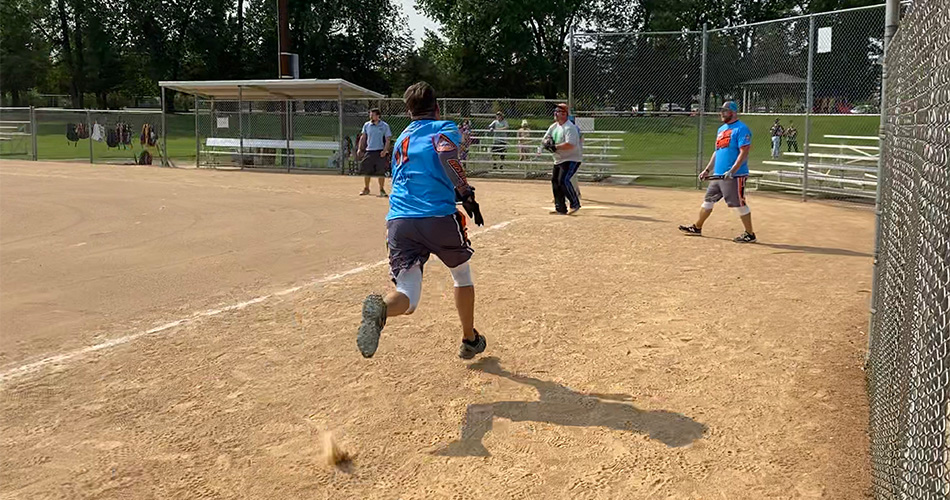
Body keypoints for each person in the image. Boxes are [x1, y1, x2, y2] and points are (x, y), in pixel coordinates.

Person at [356, 81, 487, 360]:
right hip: (437, 216)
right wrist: (465, 192)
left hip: (399, 221)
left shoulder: (402, 137)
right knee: (461, 274)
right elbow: (446, 154)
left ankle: (382, 309)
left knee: (407, 295)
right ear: (437, 108)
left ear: (409, 111)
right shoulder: (443, 127)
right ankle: (469, 339)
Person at [678, 101, 757, 243]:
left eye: (725, 111)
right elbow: (717, 152)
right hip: (718, 175)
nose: (722, 113)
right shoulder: (721, 129)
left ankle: (750, 234)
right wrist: (707, 170)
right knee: (708, 200)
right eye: (721, 111)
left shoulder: (741, 129)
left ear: (733, 113)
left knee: (739, 203)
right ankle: (697, 227)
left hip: (734, 175)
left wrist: (732, 170)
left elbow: (744, 152)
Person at [541, 103, 583, 215]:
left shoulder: (570, 127)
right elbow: (545, 139)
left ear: (564, 114)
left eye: (558, 111)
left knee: (563, 180)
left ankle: (575, 204)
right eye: (556, 111)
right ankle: (560, 208)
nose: (555, 113)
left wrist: (555, 147)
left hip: (571, 158)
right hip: (559, 159)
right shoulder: (553, 127)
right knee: (555, 182)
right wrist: (546, 143)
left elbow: (570, 144)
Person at [357, 108, 392, 197]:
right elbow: (363, 137)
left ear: (378, 116)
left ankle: (381, 190)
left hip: (380, 152)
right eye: (370, 115)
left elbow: (388, 139)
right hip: (369, 151)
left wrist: (385, 150)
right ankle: (366, 188)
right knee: (366, 171)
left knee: (381, 171)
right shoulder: (367, 125)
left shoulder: (384, 126)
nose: (371, 116)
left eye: (372, 115)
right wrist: (360, 149)